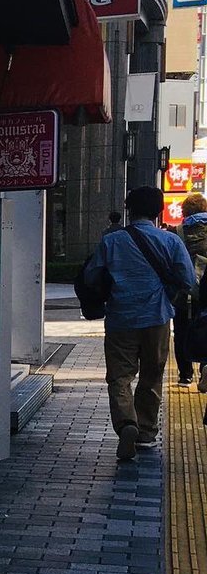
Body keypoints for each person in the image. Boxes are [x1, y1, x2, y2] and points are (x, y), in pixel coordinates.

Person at [83, 185, 196, 461]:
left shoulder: (112, 241)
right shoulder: (171, 241)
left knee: (119, 377)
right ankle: (145, 431)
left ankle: (126, 424)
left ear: (129, 209)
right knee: (152, 375)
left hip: (120, 318)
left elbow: (91, 276)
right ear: (158, 211)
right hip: (157, 318)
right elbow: (188, 280)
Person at [176, 192, 207, 389]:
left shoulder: (178, 232)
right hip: (206, 291)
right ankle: (205, 368)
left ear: (185, 211)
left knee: (181, 331)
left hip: (184, 291)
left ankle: (185, 376)